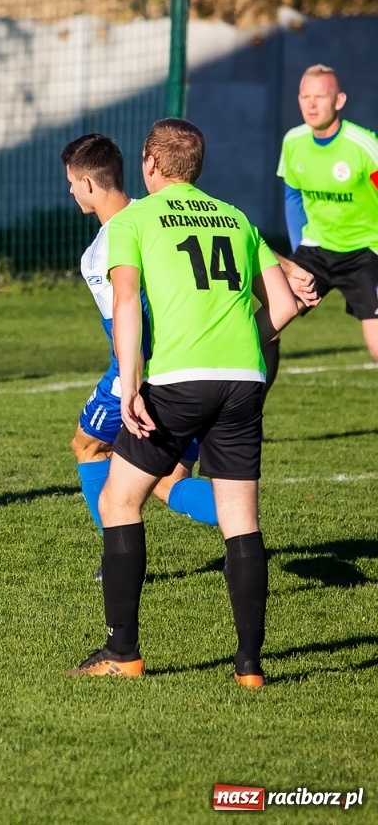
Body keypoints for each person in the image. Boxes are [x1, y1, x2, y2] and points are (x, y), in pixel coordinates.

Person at [70, 120, 300, 687]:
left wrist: (130, 384)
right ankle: (249, 666)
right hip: (244, 379)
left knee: (121, 503)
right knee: (241, 521)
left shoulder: (135, 221)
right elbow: (287, 306)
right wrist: (245, 343)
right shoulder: (236, 217)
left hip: (178, 382)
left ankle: (122, 652)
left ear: (150, 164)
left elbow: (127, 304)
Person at [61, 134, 217, 544]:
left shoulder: (101, 252)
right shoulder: (159, 214)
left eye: (72, 182)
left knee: (87, 446)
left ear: (89, 185)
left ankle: (115, 554)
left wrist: (132, 384)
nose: (71, 190)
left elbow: (126, 325)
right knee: (169, 479)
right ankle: (236, 508)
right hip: (200, 363)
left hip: (143, 374)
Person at [276, 64, 378, 368]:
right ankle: (245, 413)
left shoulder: (364, 146)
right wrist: (295, 261)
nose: (311, 104)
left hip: (365, 252)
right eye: (305, 96)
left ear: (339, 100)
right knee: (264, 329)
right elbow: (293, 197)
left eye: (320, 96)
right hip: (316, 251)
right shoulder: (293, 142)